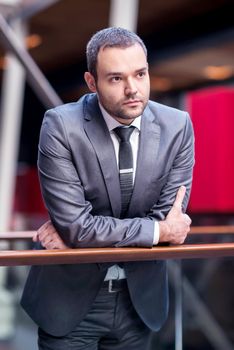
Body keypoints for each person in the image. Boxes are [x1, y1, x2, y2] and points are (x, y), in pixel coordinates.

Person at [21, 27, 194, 350]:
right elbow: (78, 227)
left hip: (139, 302)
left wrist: (81, 233)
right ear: (92, 82)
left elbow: (168, 212)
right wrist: (158, 232)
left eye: (140, 74)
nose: (133, 89)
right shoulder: (61, 125)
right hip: (69, 302)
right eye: (116, 78)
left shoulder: (177, 126)